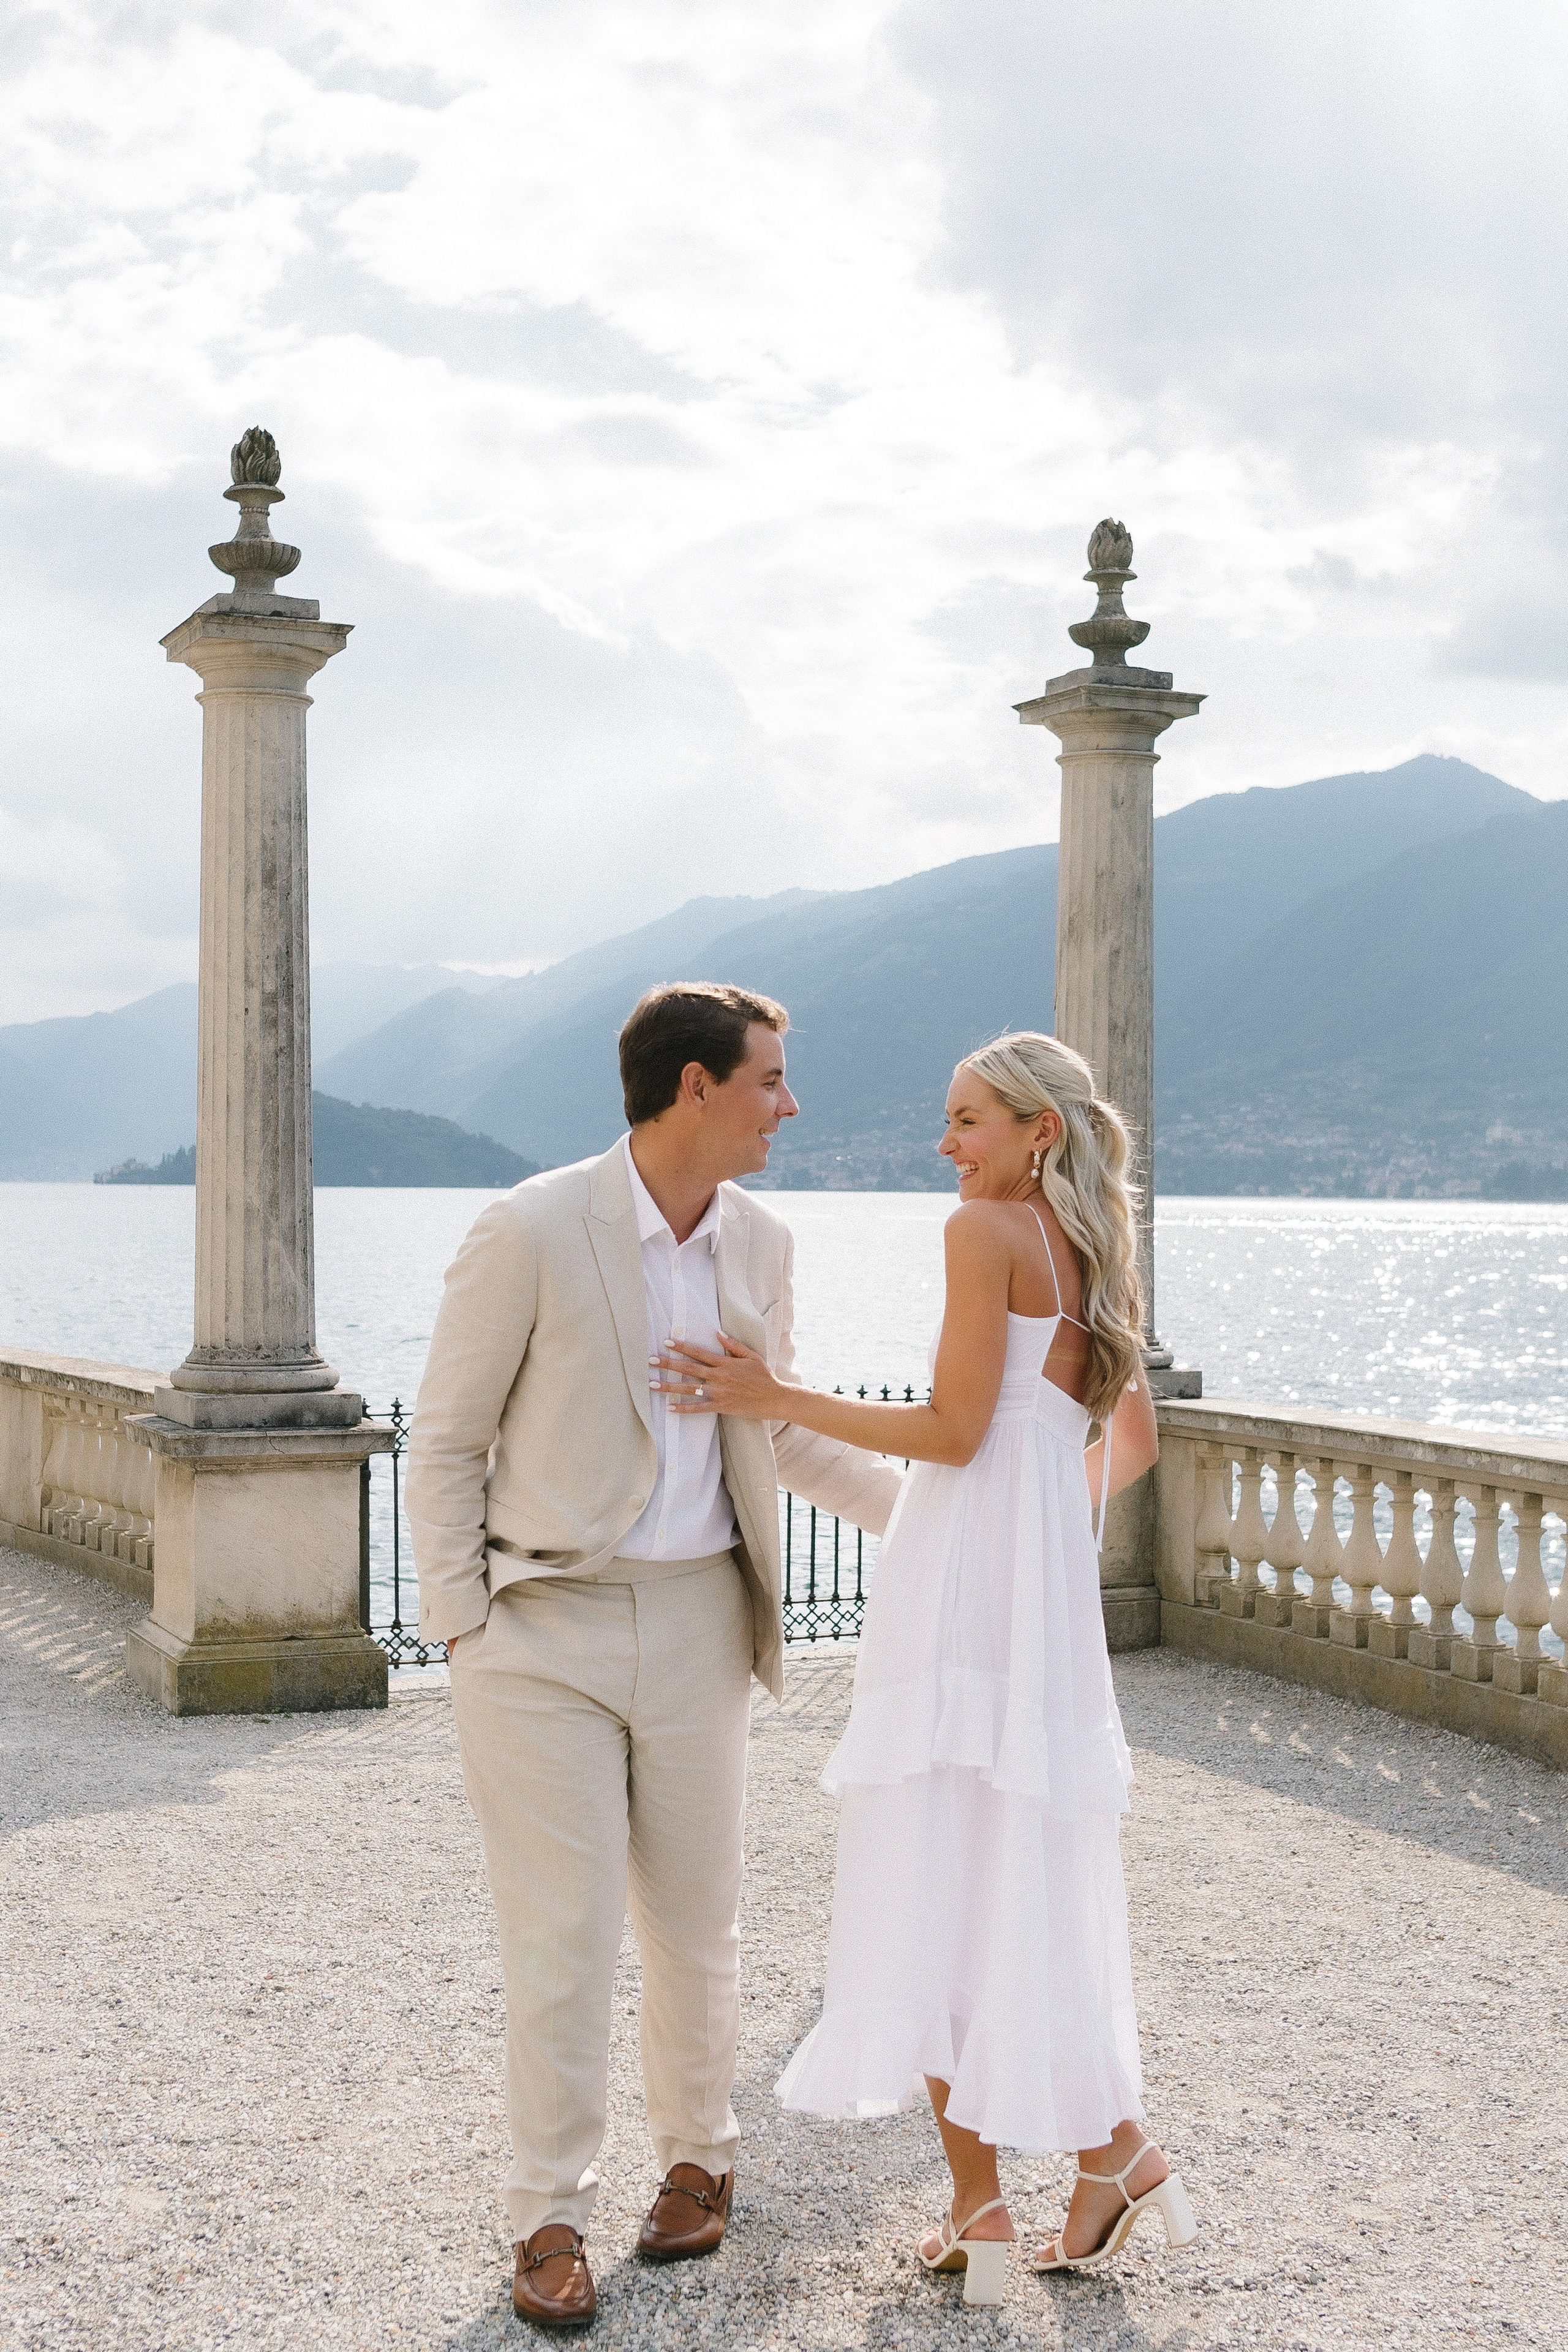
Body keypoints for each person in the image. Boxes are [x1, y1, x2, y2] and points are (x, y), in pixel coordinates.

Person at [654, 1031, 1198, 2311]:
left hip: (956, 1593)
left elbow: (953, 1431)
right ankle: (1100, 2159)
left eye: (964, 1122)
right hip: (1035, 1602)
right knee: (1023, 1873)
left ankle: (987, 2208)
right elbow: (1130, 1440)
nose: (943, 1146)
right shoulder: (1095, 1252)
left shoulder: (982, 1238)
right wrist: (1039, 1536)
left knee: (937, 1873)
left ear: (1034, 1134)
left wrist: (770, 1394)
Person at [405, 982, 902, 2331]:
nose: (787, 1107)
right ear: (694, 1086)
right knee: (562, 1939)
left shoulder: (761, 1239)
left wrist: (936, 1522)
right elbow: (444, 1439)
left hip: (699, 1622)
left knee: (697, 1926)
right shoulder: (529, 1226)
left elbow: (774, 1431)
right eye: (770, 1081)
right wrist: (464, 1621)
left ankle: (700, 2162)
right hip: (539, 1631)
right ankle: (545, 2215)